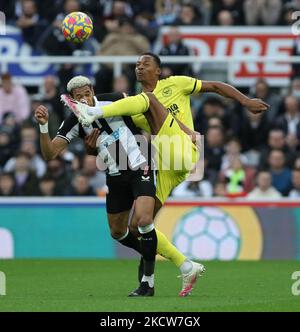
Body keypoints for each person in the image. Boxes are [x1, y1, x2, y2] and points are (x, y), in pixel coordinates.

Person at [36, 76, 202, 297]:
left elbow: (153, 108)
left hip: (140, 164)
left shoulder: (115, 100)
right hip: (114, 174)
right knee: (118, 232)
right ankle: (177, 261)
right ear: (73, 100)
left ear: (92, 90)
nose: (84, 99)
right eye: (78, 97)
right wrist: (44, 126)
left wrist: (184, 131)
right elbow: (49, 154)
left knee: (144, 220)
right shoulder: (73, 121)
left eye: (86, 93)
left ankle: (148, 283)